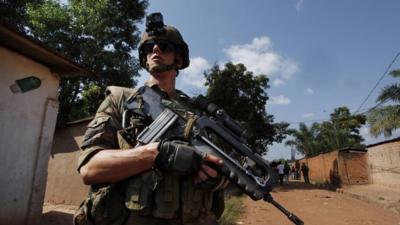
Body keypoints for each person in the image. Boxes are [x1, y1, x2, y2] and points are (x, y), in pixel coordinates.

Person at [74, 13, 227, 225]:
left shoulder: (199, 115)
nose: (155, 50)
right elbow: (90, 168)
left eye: (164, 47)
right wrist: (157, 154)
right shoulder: (121, 100)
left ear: (179, 59)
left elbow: (222, 173)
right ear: (144, 57)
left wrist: (215, 179)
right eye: (149, 47)